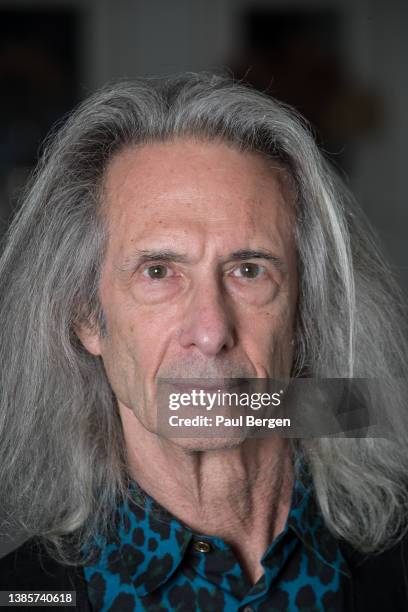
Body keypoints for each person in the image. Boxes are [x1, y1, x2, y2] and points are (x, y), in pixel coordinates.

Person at [0, 73, 407, 612]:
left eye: (248, 269)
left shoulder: (394, 561)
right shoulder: (24, 595)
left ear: (304, 314)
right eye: (158, 271)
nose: (211, 332)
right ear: (86, 318)